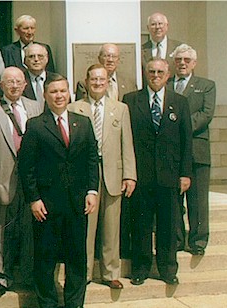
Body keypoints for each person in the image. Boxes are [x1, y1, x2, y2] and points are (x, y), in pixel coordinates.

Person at [19, 73, 99, 308]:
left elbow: (92, 159)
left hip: (77, 203)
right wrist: (33, 199)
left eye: (63, 91)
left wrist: (92, 191)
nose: (59, 95)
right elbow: (27, 167)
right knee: (45, 258)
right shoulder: (35, 125)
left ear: (69, 93)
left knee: (76, 257)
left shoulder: (82, 122)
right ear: (45, 95)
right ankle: (48, 304)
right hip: (47, 205)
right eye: (53, 91)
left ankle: (75, 303)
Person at [123, 58, 192, 286]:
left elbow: (186, 140)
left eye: (160, 72)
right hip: (141, 175)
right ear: (145, 73)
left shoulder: (179, 102)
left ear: (168, 74)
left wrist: (185, 173)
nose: (155, 75)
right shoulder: (131, 100)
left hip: (169, 175)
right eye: (151, 71)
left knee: (168, 224)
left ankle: (167, 268)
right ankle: (141, 268)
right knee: (141, 224)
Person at [68, 64, 136, 289]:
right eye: (93, 79)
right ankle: (84, 272)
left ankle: (110, 273)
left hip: (113, 174)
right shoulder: (74, 108)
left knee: (111, 226)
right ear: (86, 82)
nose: (98, 83)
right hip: (84, 175)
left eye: (102, 79)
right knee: (86, 226)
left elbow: (127, 144)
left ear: (108, 82)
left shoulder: (121, 108)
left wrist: (130, 175)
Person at [0, 67, 42, 299]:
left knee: (29, 228)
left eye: (18, 82)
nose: (14, 86)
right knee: (2, 229)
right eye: (9, 82)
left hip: (31, 179)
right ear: (1, 85)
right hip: (1, 179)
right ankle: (1, 276)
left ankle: (26, 275)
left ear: (25, 85)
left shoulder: (36, 107)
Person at [168, 44, 216, 255]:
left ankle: (198, 241)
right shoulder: (167, 85)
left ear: (194, 63)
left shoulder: (206, 86)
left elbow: (205, 115)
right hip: (173, 152)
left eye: (187, 60)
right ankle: (178, 239)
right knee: (174, 199)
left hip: (197, 150)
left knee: (197, 199)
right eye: (179, 60)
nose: (182, 63)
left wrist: (180, 127)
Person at [142, 13, 181, 82]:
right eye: (153, 24)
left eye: (160, 24)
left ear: (167, 26)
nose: (157, 27)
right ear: (148, 28)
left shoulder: (179, 48)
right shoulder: (141, 50)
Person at [22, 43, 50, 110]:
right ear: (25, 60)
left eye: (40, 56)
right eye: (31, 56)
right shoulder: (20, 80)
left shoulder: (56, 80)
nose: (36, 59)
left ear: (47, 59)